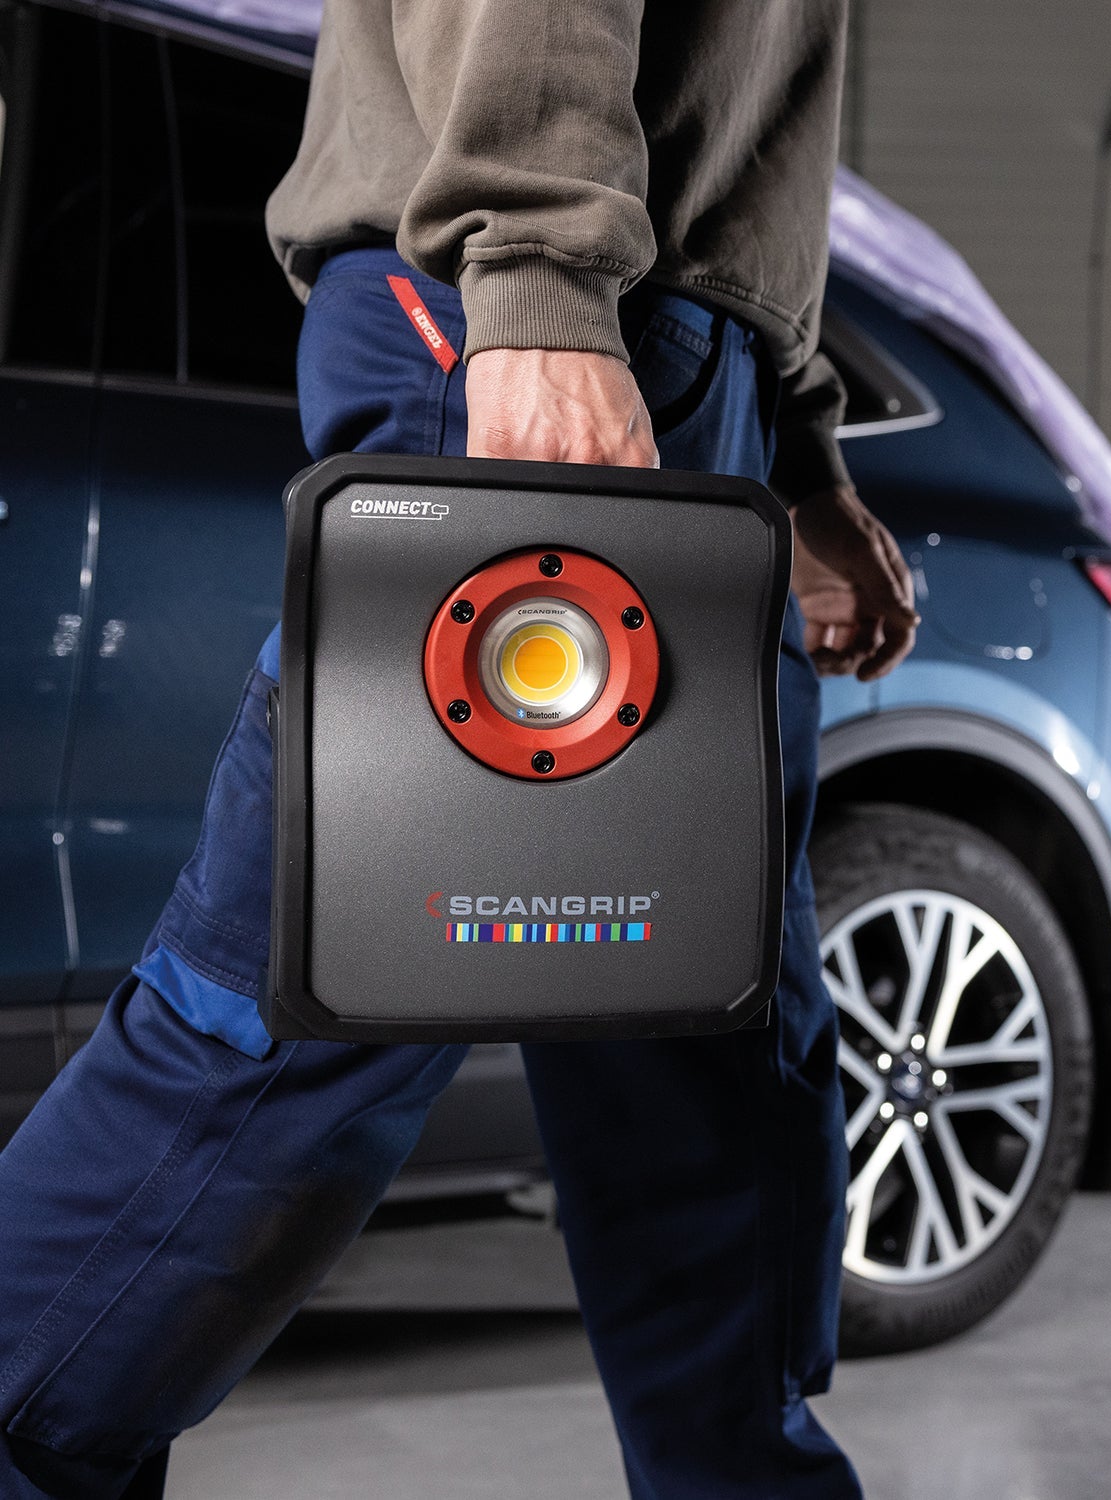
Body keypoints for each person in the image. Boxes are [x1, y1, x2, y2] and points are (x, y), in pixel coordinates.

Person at [0, 1, 919, 1496]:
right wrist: (540, 278)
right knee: (323, 999)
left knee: (714, 1025)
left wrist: (796, 444)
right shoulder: (537, 267)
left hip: (692, 369)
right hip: (532, 320)